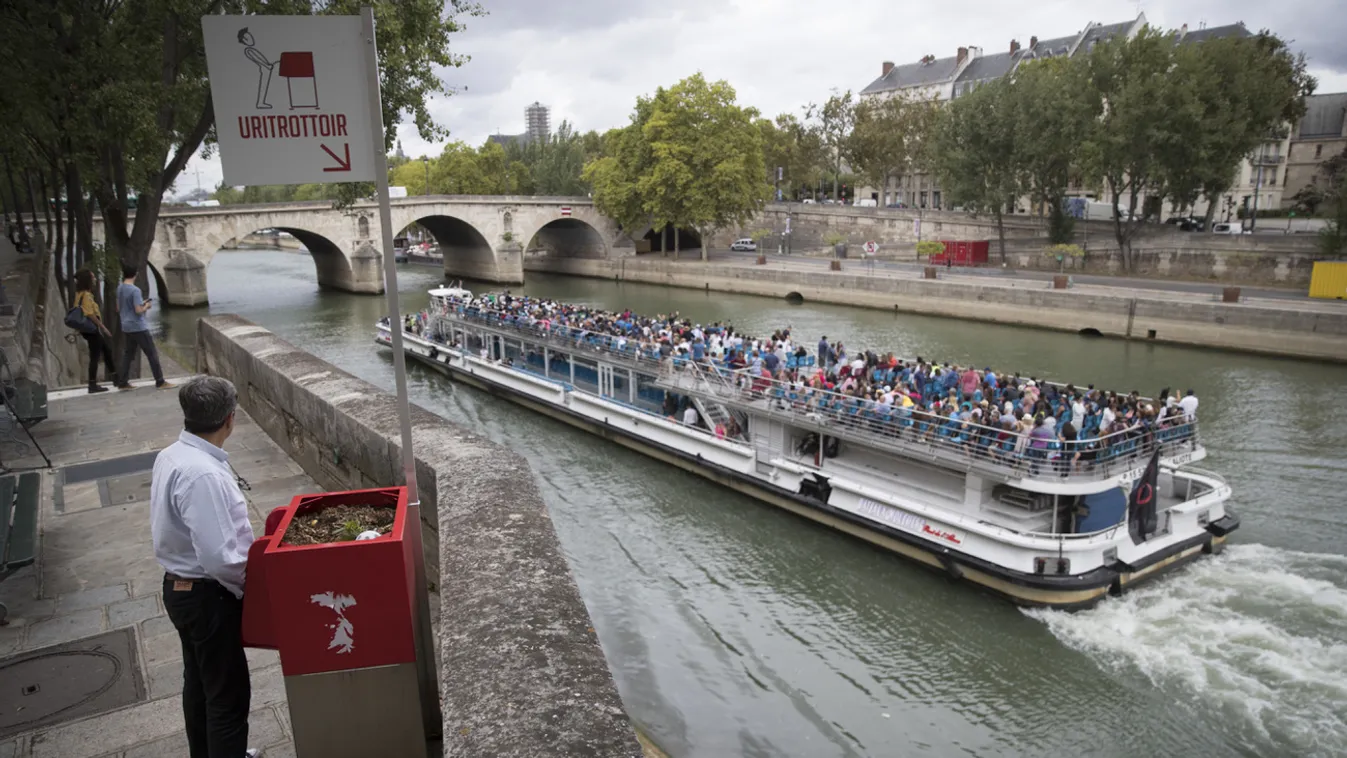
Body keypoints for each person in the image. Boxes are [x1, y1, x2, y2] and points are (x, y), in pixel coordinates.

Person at [150, 377, 261, 758]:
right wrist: (249, 588)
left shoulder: (171, 456)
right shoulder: (205, 474)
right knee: (227, 696)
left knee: (199, 683)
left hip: (179, 587)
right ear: (230, 419)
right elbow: (220, 557)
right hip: (206, 594)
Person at [116, 263, 173, 390]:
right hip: (138, 326)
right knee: (152, 353)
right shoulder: (135, 290)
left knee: (128, 354)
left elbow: (118, 308)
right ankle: (160, 381)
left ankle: (123, 382)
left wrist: (140, 305)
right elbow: (138, 310)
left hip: (126, 325)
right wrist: (146, 306)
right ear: (135, 274)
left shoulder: (120, 288)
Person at [73, 269, 118, 394]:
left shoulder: (80, 294)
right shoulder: (86, 296)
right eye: (92, 278)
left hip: (88, 330)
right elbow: (89, 314)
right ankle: (92, 384)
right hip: (91, 329)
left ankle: (115, 377)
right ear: (87, 280)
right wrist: (102, 327)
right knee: (95, 356)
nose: (94, 280)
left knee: (106, 350)